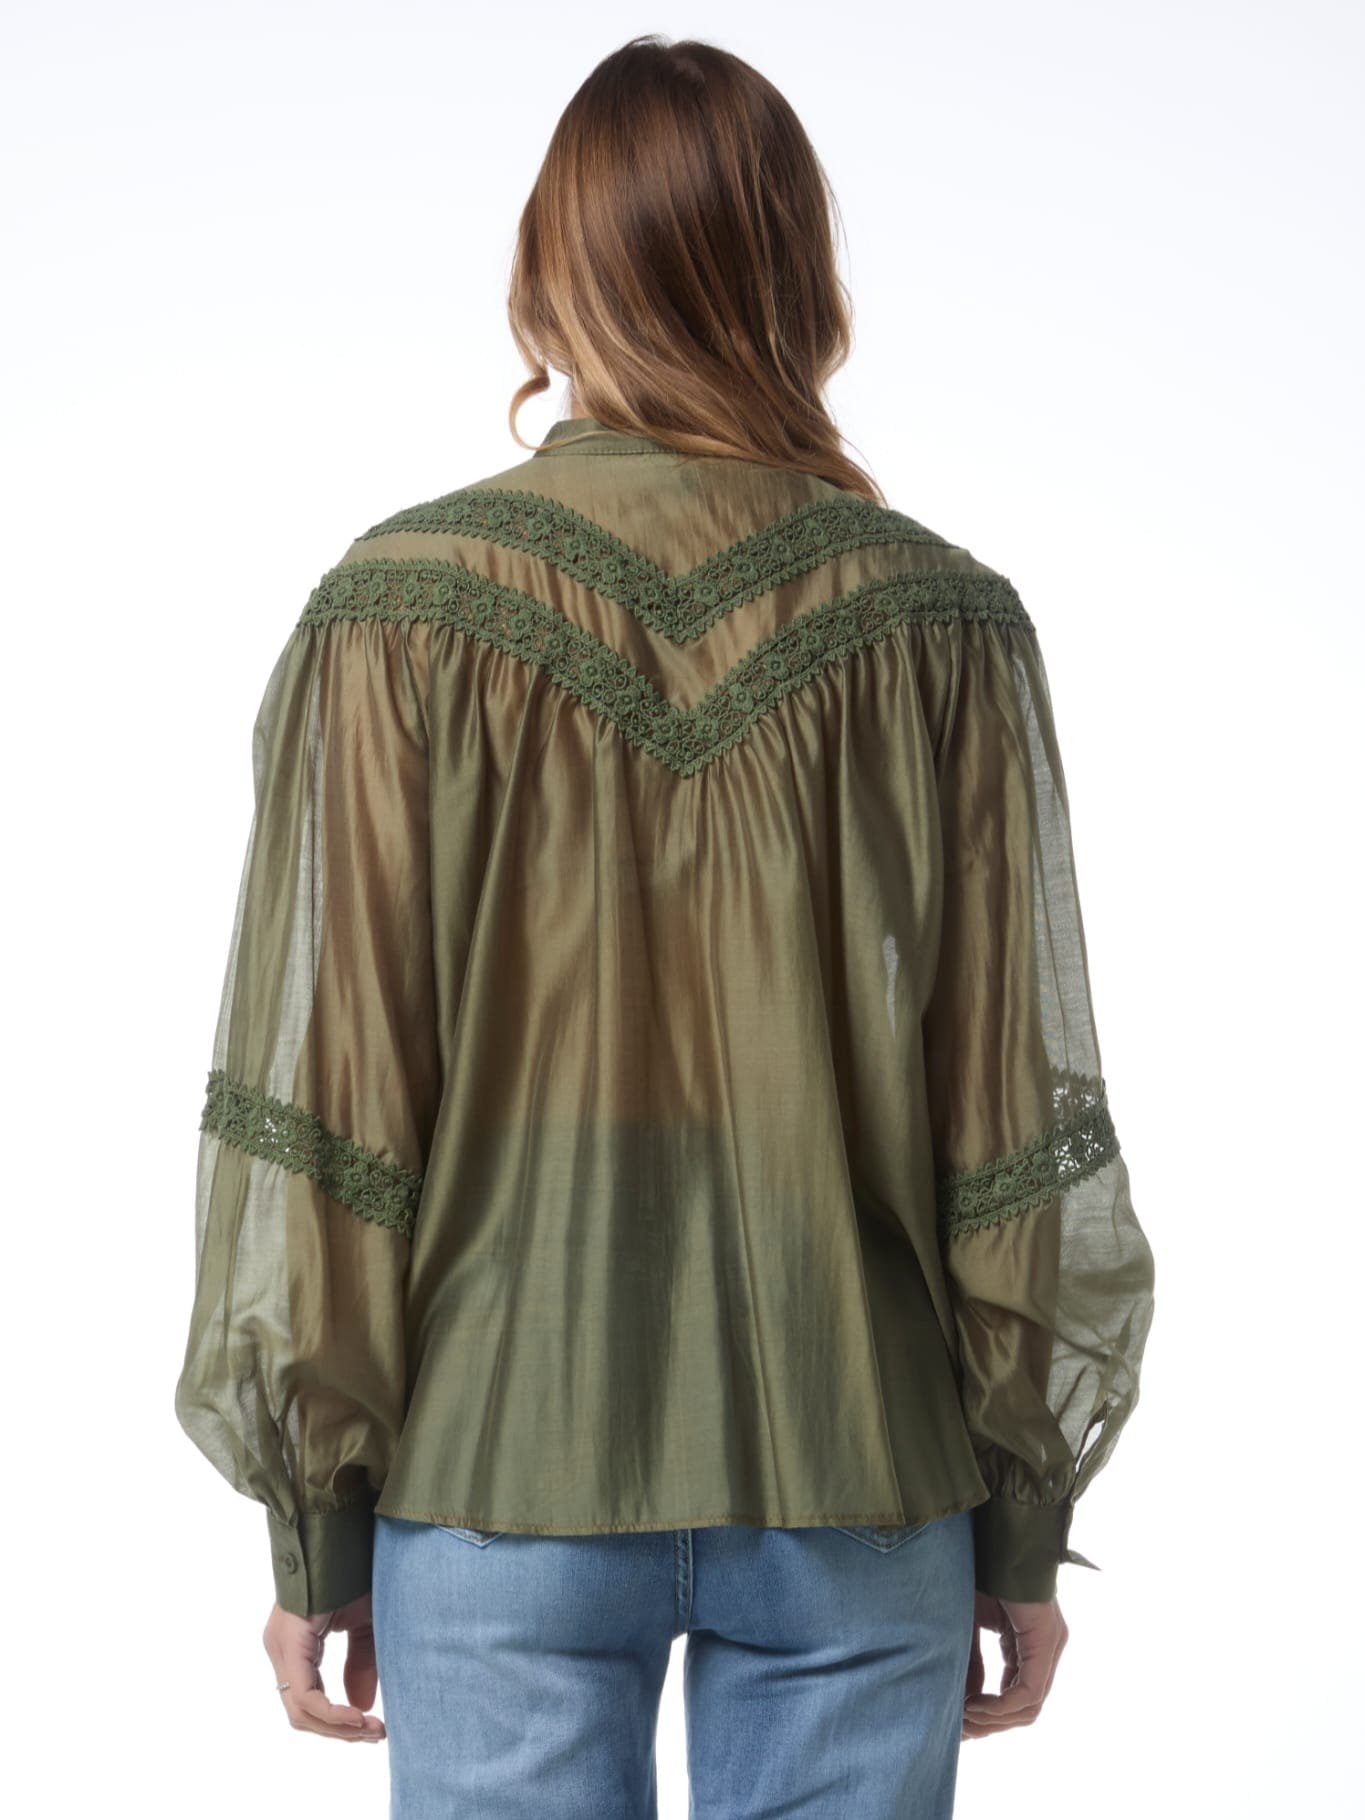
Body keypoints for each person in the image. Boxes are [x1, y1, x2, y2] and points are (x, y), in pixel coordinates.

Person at [173, 31, 1156, 1818]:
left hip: (497, 1465)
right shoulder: (941, 621)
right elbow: (1008, 1111)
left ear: (552, 266)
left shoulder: (392, 611)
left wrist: (318, 1527)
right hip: (863, 1468)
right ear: (797, 275)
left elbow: (330, 1100)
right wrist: (1021, 1514)